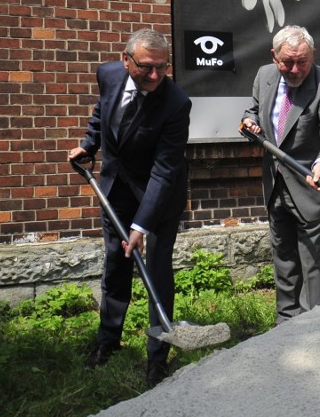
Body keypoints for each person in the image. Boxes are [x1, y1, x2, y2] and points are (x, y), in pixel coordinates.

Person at [67, 29, 191, 387]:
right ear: (126, 60)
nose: (155, 76)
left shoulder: (175, 103)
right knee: (116, 264)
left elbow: (165, 170)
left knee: (155, 270)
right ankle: (108, 342)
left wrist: (140, 227)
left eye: (162, 68)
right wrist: (89, 144)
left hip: (159, 195)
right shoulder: (108, 75)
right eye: (146, 67)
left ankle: (157, 356)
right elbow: (102, 113)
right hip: (117, 187)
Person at [241, 25, 320, 324]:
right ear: (274, 57)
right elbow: (253, 110)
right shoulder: (264, 76)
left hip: (310, 184)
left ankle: (315, 330)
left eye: (303, 61)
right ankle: (285, 329)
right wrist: (250, 123)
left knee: (313, 267)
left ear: (313, 55)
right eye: (288, 62)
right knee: (284, 262)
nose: (296, 69)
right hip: (275, 185)